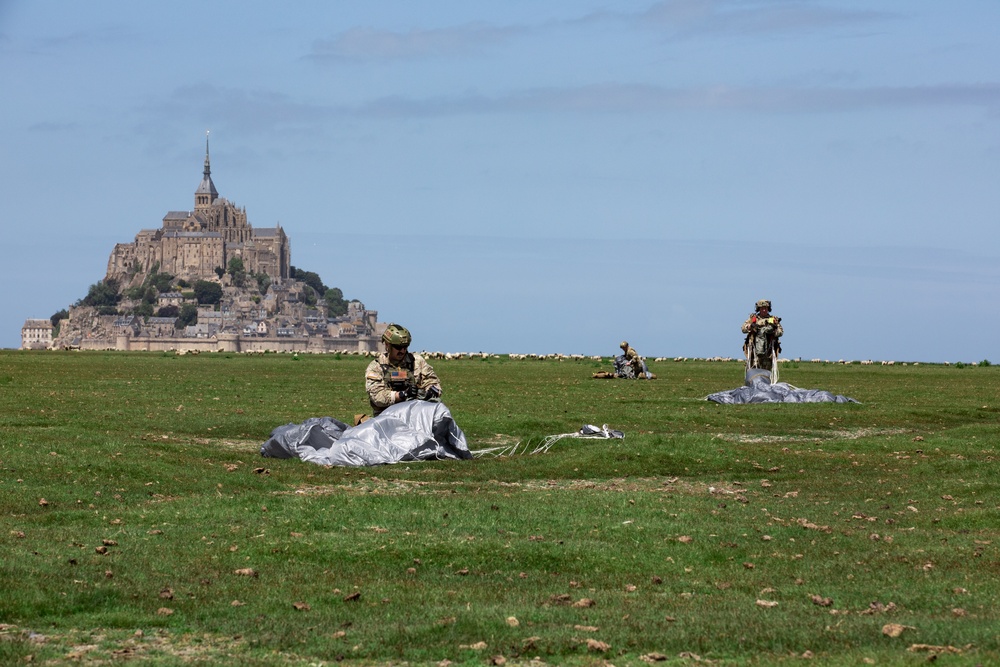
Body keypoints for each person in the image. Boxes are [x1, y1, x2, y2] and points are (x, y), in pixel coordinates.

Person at [365, 323, 442, 416]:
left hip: (415, 414)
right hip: (386, 417)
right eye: (398, 347)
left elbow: (433, 382)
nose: (402, 351)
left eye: (405, 347)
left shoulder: (417, 361)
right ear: (387, 345)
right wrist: (403, 394)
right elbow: (377, 397)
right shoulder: (376, 367)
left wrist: (429, 392)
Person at [742, 299, 783, 371]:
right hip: (754, 354)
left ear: (768, 309)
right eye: (762, 308)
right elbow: (743, 329)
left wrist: (773, 330)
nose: (764, 310)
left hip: (768, 355)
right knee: (753, 374)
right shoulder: (753, 319)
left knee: (766, 375)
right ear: (759, 309)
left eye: (766, 308)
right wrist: (750, 326)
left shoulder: (773, 320)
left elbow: (780, 332)